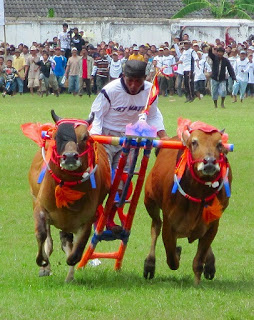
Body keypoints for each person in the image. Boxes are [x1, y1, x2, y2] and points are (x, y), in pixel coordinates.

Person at [89, 60, 168, 231]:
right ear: (123, 76)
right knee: (103, 178)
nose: (133, 85)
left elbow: (153, 116)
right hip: (106, 137)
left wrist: (163, 136)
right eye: (129, 80)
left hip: (131, 139)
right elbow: (96, 115)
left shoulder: (150, 91)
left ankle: (109, 219)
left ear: (144, 79)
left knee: (123, 181)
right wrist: (96, 137)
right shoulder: (110, 90)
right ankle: (95, 216)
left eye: (137, 81)